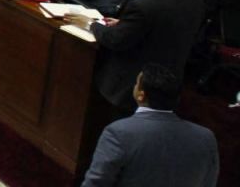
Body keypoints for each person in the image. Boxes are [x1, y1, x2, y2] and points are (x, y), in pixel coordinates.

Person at [65, 0, 205, 113]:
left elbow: (116, 40)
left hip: (133, 84)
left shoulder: (142, 6)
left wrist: (89, 23)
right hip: (171, 79)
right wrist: (126, 24)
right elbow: (165, 25)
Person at [80, 64, 218, 187]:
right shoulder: (206, 137)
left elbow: (96, 183)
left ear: (141, 94)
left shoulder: (118, 133)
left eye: (136, 84)